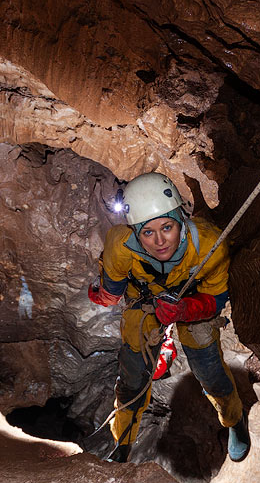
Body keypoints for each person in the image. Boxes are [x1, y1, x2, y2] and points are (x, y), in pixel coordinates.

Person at [88, 172, 250, 463]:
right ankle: (123, 442)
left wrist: (185, 310)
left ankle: (234, 420)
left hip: (194, 302)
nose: (160, 241)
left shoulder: (209, 245)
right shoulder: (120, 246)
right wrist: (98, 295)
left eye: (167, 227)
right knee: (132, 378)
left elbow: (215, 300)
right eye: (148, 232)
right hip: (145, 302)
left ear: (180, 220)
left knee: (209, 369)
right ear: (136, 231)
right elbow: (112, 292)